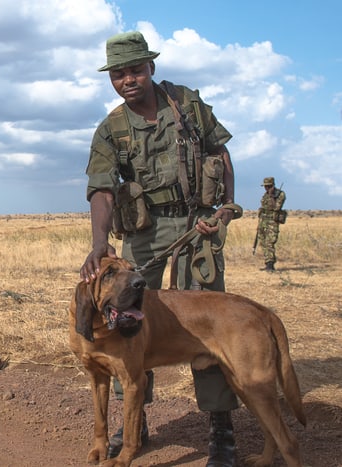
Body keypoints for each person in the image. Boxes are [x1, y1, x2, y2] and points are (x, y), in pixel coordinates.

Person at [80, 31, 241, 466]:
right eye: (118, 74)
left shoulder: (187, 104)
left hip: (196, 225)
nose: (127, 79)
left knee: (207, 322)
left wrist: (224, 206)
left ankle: (221, 430)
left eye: (134, 69)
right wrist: (100, 242)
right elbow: (101, 189)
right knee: (123, 321)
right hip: (143, 232)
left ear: (150, 67)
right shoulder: (111, 128)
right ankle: (136, 421)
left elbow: (220, 153)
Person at [257, 176, 286, 272]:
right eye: (265, 186)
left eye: (268, 186)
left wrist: (272, 196)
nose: (266, 188)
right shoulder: (265, 195)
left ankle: (270, 264)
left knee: (270, 242)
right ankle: (267, 262)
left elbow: (276, 207)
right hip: (263, 221)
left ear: (272, 185)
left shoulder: (280, 194)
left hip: (272, 222)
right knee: (263, 242)